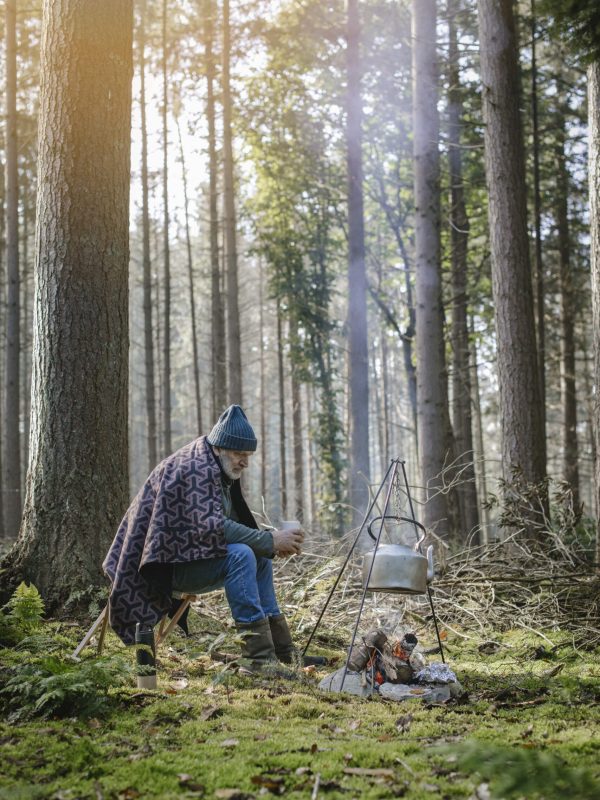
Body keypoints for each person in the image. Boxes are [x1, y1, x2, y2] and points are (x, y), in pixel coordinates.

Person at [103, 404, 305, 673]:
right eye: (239, 454)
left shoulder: (212, 464)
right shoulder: (196, 469)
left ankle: (282, 653)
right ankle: (258, 661)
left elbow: (220, 526)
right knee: (242, 555)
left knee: (256, 555)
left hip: (181, 555)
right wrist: (269, 540)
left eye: (248, 455)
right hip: (157, 568)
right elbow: (213, 528)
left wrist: (265, 542)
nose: (244, 461)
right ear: (220, 447)